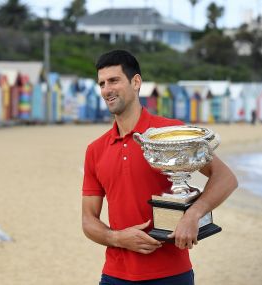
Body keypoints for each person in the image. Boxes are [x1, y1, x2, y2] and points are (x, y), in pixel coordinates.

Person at [82, 49, 238, 284]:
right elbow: (88, 220)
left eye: (114, 80)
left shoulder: (171, 133)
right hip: (115, 275)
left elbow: (225, 178)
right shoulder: (96, 150)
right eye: (102, 83)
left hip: (171, 274)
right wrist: (117, 238)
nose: (106, 90)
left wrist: (193, 215)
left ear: (136, 82)